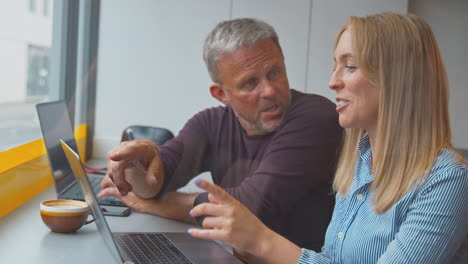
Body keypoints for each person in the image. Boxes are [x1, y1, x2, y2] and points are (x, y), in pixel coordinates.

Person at [187, 12, 468, 263]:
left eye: (350, 66)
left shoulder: (447, 180)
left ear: (398, 78)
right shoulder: (357, 165)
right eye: (335, 65)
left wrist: (263, 241)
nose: (332, 81)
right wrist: (251, 250)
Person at [99, 18, 343, 251]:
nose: (269, 90)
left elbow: (249, 209)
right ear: (221, 94)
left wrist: (150, 205)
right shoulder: (210, 122)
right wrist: (136, 165)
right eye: (250, 83)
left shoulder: (317, 117)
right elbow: (154, 182)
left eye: (275, 73)